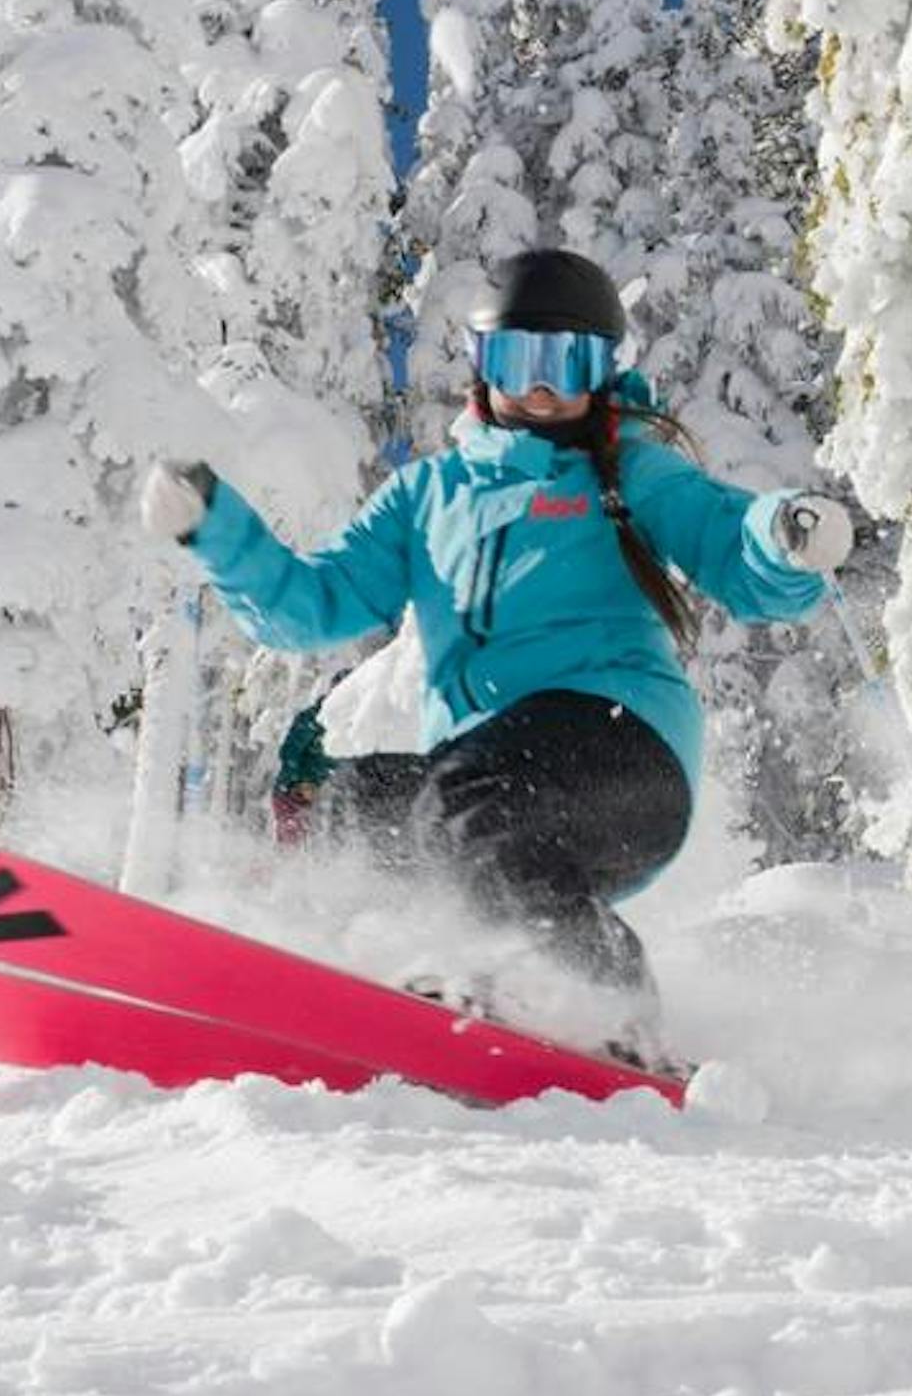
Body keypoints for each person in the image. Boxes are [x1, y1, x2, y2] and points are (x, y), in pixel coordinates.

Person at [139, 247, 852, 1051]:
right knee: (350, 807)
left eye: (566, 362)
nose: (540, 386)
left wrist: (784, 537)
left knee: (467, 802)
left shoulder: (626, 474)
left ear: (601, 374)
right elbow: (315, 605)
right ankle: (351, 982)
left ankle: (610, 1004)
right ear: (483, 366)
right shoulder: (427, 495)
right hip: (499, 788)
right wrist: (219, 533)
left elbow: (731, 543)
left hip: (625, 754)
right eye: (519, 359)